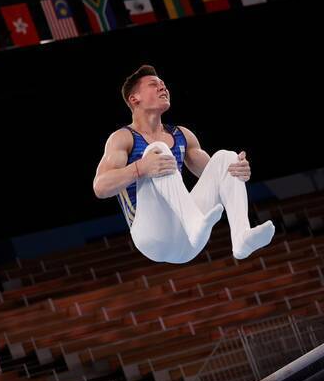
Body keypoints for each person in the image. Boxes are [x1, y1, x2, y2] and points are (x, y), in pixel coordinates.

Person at [93, 65, 275, 263]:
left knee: (226, 158)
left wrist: (238, 173)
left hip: (190, 241)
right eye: (154, 85)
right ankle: (194, 223)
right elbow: (100, 188)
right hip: (153, 237)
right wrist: (140, 168)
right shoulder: (122, 138)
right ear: (134, 99)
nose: (163, 88)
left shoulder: (182, 135)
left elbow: (219, 177)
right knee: (157, 150)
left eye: (163, 85)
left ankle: (241, 237)